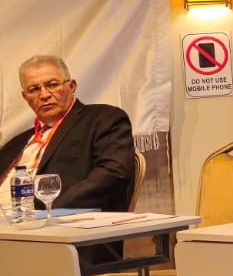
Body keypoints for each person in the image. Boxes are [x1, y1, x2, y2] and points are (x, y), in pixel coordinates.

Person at [2, 55, 135, 213]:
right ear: (25, 97)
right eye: (34, 89)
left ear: (72, 87)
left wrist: (46, 210)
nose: (44, 95)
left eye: (52, 85)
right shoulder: (17, 143)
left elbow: (113, 174)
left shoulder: (103, 119)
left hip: (60, 220)